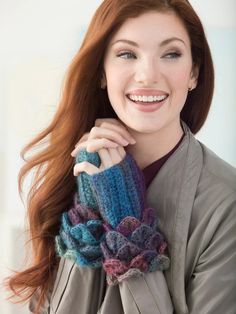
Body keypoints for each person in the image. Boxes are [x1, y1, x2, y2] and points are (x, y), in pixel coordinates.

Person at [5, 0, 236, 313]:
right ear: (102, 72)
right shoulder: (72, 177)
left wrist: (127, 224)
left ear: (194, 72)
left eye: (171, 54)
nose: (147, 75)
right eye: (127, 53)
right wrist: (88, 210)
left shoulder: (227, 202)